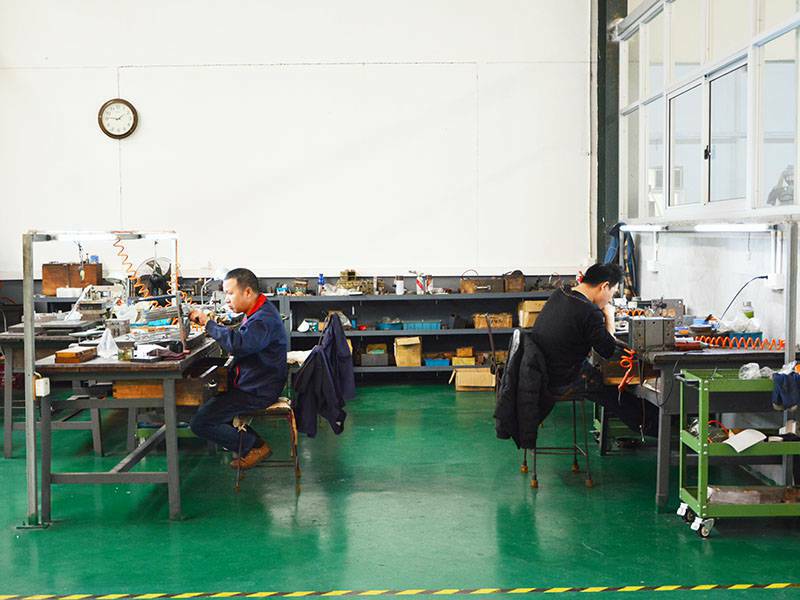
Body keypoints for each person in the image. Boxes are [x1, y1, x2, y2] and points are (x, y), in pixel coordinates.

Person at [532, 262, 658, 438]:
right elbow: (607, 350)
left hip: (543, 369)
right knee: (617, 393)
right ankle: (659, 427)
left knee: (613, 385)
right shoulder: (589, 311)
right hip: (564, 377)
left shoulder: (560, 294)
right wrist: (609, 317)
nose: (610, 299)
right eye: (612, 293)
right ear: (604, 286)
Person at [188, 268, 288, 469]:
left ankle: (254, 446)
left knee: (200, 422)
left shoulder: (263, 319)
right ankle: (250, 443)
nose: (227, 299)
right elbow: (243, 338)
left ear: (248, 292)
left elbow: (238, 345)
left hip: (258, 389)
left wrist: (208, 324)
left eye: (230, 293)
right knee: (210, 404)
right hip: (255, 380)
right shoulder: (258, 311)